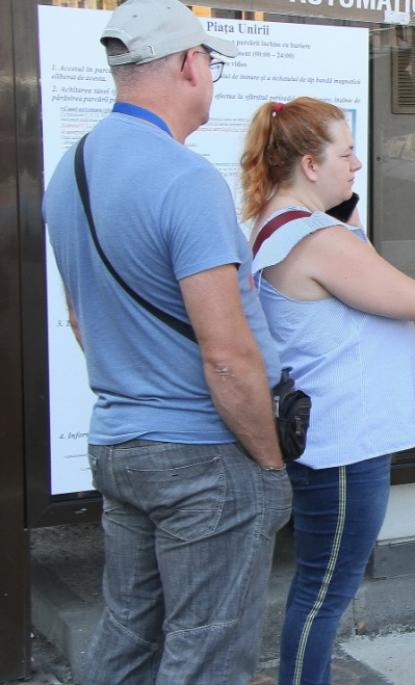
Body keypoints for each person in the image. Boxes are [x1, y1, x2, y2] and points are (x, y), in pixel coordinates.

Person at [41, 1, 291, 683]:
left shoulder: (73, 170)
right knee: (205, 651)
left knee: (128, 634)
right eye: (208, 60)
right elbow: (226, 352)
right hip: (203, 456)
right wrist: (269, 465)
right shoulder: (185, 180)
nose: (209, 74)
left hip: (120, 439)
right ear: (188, 63)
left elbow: (79, 319)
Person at [239, 97, 415, 685]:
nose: (358, 165)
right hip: (345, 444)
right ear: (311, 165)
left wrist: (345, 214)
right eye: (346, 154)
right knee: (325, 589)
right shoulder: (317, 240)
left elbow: (363, 275)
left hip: (328, 435)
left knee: (319, 583)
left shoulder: (277, 221)